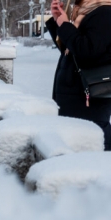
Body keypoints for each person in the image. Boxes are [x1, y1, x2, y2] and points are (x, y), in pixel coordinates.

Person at [47, 0, 111, 150]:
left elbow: (87, 51)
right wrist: (58, 22)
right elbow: (72, 52)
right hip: (77, 94)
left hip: (90, 95)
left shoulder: (105, 12)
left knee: (92, 141)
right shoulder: (87, 12)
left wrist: (65, 25)